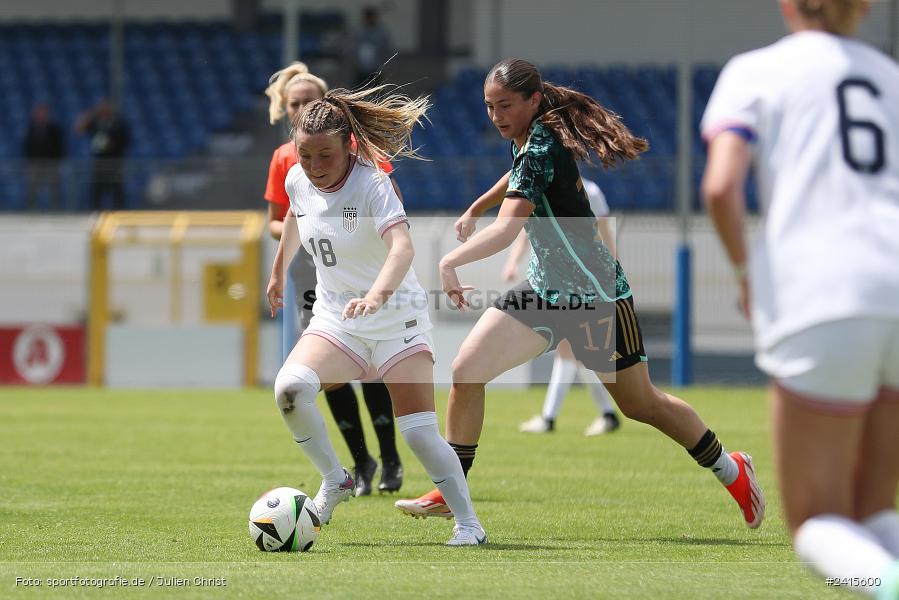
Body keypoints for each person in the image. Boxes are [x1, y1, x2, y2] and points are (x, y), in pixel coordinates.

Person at [395, 59, 764, 533]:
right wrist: (477, 204)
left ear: (532, 101)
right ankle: (452, 490)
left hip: (596, 297)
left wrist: (449, 262)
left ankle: (732, 471)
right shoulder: (528, 140)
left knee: (641, 405)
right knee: (467, 372)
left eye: (505, 105)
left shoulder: (542, 142)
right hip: (545, 291)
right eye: (489, 106)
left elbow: (509, 231)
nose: (496, 115)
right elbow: (517, 178)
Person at [701, 1, 899, 595]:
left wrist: (743, 272)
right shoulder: (891, 77)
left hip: (825, 290)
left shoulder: (757, 70)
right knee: (875, 514)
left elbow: (720, 185)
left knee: (819, 523)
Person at [266, 84, 487, 545]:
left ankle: (470, 525)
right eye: (305, 156)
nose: (314, 167)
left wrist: (375, 298)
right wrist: (277, 270)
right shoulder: (296, 179)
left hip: (396, 320)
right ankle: (336, 479)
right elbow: (293, 218)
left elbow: (402, 249)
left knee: (421, 435)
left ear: (348, 145)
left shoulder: (372, 182)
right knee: (289, 390)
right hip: (335, 318)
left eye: (324, 156)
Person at [264, 62, 403, 497]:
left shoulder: (351, 151)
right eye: (294, 103)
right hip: (315, 277)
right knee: (331, 374)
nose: (301, 107)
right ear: (286, 110)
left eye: (309, 101)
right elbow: (278, 220)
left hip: (361, 273)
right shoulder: (286, 160)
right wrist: (296, 245)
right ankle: (360, 462)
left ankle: (391, 457)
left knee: (372, 367)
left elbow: (387, 199)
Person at [508, 177, 622, 436]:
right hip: (566, 276)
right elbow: (531, 230)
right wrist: (513, 261)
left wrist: (612, 274)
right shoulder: (555, 187)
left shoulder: (589, 191)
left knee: (568, 349)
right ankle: (608, 413)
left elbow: (604, 233)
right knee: (576, 353)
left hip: (582, 277)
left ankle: (549, 418)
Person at [75, 99, 130, 211]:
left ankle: (118, 212)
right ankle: (95, 211)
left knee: (116, 187)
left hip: (114, 161)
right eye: (102, 108)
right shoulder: (96, 122)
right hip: (99, 161)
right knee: (97, 188)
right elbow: (79, 130)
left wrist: (113, 144)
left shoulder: (118, 122)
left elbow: (126, 140)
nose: (104, 111)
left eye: (106, 108)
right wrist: (90, 114)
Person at [22, 103, 65, 211]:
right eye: (39, 113)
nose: (41, 115)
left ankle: (55, 209)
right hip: (35, 163)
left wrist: (57, 160)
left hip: (51, 163)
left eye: (44, 113)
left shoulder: (54, 129)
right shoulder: (31, 128)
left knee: (53, 187)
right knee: (33, 187)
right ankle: (31, 208)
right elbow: (27, 145)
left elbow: (59, 145)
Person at [349, 6, 394, 88]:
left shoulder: (381, 32)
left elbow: (386, 48)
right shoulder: (359, 31)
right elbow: (353, 47)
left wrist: (386, 64)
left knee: (377, 90)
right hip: (361, 67)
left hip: (376, 67)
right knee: (358, 89)